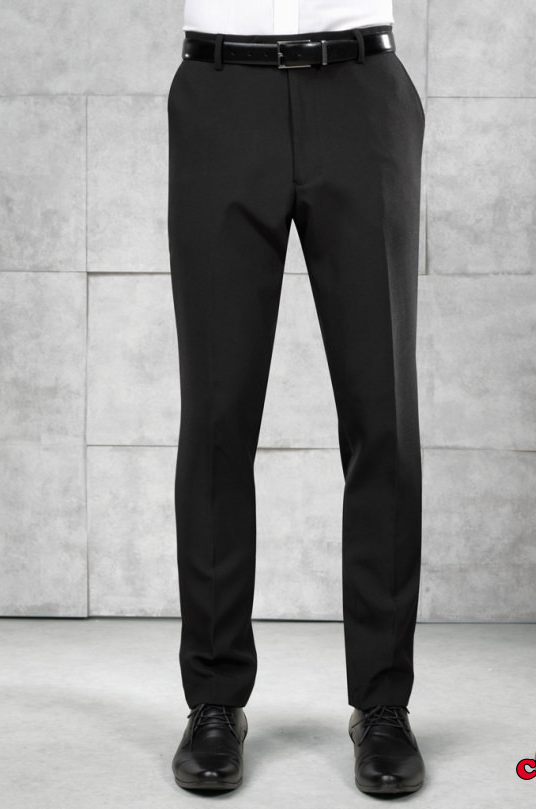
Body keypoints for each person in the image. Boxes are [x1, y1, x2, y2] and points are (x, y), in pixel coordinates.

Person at [167, 0, 426, 796]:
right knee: (217, 416)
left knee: (382, 413)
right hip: (221, 91)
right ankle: (214, 700)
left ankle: (382, 704)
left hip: (359, 90)